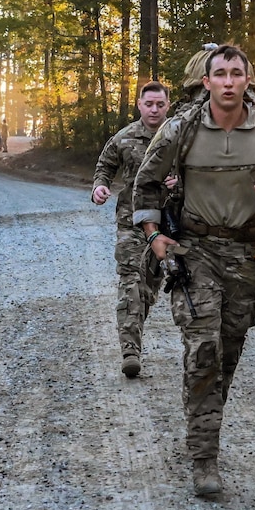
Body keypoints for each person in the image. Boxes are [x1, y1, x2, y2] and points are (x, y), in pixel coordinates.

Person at [132, 45, 255, 496]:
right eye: (220, 74)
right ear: (206, 82)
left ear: (248, 81)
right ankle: (204, 455)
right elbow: (146, 183)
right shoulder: (180, 129)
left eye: (236, 74)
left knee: (228, 351)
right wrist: (154, 235)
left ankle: (200, 415)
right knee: (203, 347)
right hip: (195, 251)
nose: (229, 82)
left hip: (245, 254)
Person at [91, 80, 171, 378]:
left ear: (167, 106)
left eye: (159, 104)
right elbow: (104, 167)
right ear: (139, 105)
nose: (153, 109)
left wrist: (182, 182)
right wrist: (99, 187)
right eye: (148, 104)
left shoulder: (180, 137)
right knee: (130, 282)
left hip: (169, 224)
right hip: (132, 222)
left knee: (149, 287)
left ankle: (134, 325)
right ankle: (130, 351)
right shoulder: (124, 138)